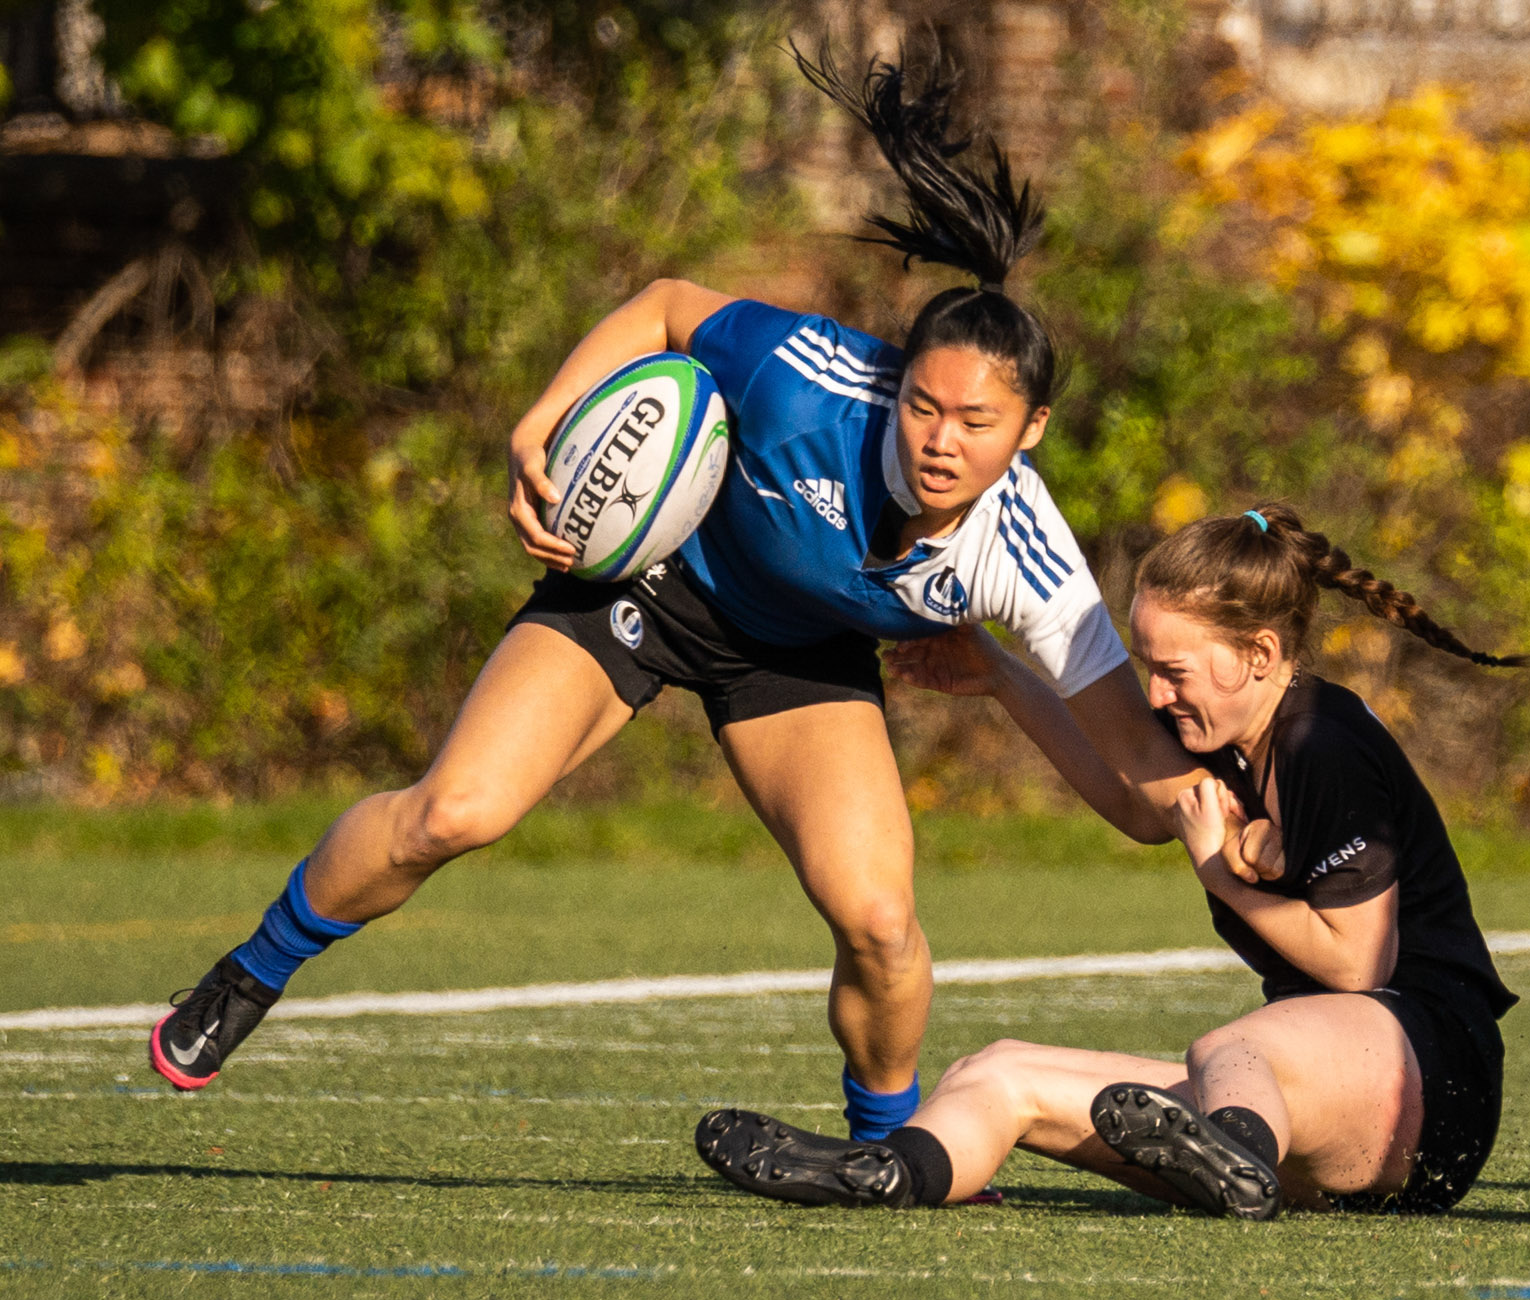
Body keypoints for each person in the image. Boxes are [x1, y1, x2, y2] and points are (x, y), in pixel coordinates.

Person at [145, 42, 1232, 1142]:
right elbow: (668, 307)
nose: (939, 439)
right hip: (654, 581)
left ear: (1032, 429)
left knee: (880, 924)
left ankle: (877, 1151)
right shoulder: (808, 376)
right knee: (454, 812)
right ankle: (253, 968)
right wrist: (540, 424)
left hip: (800, 658)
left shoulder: (1027, 557)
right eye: (922, 405)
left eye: (976, 421)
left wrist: (1228, 787)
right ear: (896, 383)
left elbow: (1143, 794)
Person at [696, 503, 1521, 1217]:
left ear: (1261, 654)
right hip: (1307, 1097)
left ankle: (1232, 1161)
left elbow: (1357, 963)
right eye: (1147, 666)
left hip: (1429, 1077)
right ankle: (888, 1169)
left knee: (1230, 1051)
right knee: (1000, 1071)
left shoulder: (1321, 741)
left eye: (1173, 671)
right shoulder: (1228, 737)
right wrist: (1000, 675)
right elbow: (1132, 801)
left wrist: (1219, 873)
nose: (1155, 693)